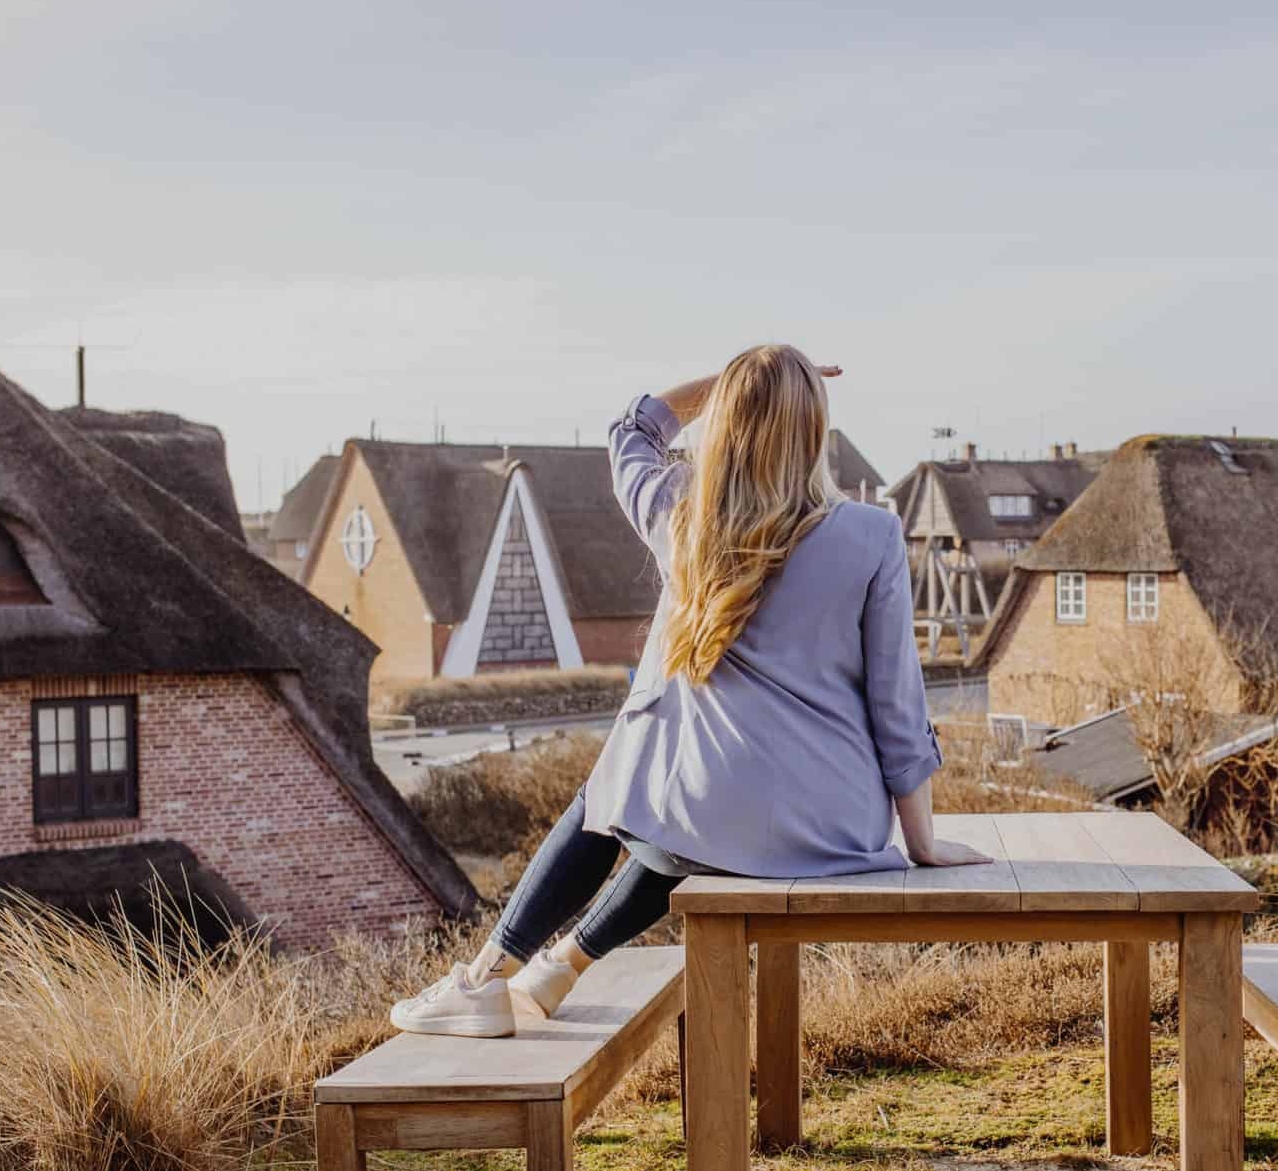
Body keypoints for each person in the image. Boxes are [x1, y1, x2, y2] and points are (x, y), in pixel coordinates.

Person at [392, 345, 989, 1037]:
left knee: (630, 782)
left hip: (703, 807)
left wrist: (733, 381)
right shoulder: (872, 533)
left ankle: (485, 977)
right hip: (836, 829)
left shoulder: (679, 515)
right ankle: (558, 966)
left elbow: (633, 429)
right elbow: (898, 701)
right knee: (684, 795)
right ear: (815, 433)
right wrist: (922, 843)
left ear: (725, 424)